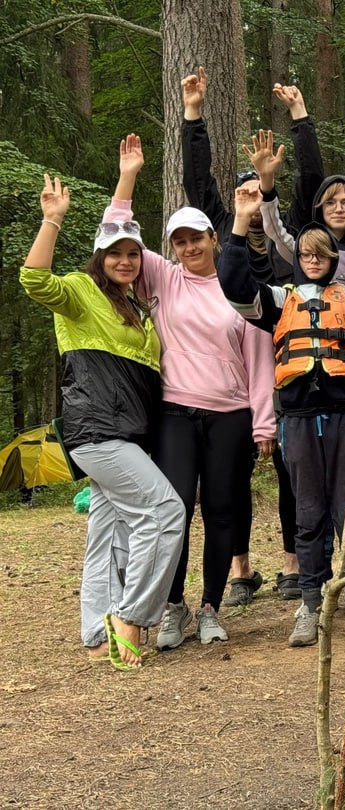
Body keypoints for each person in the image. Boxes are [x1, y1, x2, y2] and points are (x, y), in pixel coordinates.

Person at [109, 134, 276, 650]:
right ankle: (174, 606)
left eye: (196, 238)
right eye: (178, 241)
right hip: (175, 413)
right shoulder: (162, 277)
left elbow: (259, 358)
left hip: (230, 415)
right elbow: (116, 237)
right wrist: (128, 177)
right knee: (175, 507)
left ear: (212, 238)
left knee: (223, 508)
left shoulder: (238, 284)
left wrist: (264, 422)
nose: (188, 248)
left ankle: (211, 607)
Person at [218, 176, 345, 647]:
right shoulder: (280, 301)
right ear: (297, 259)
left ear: (333, 260)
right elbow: (236, 289)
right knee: (308, 510)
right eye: (307, 254)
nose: (314, 259)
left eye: (322, 254)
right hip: (297, 418)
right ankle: (311, 602)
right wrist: (239, 226)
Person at [20, 175, 185, 670]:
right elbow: (34, 279)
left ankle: (97, 635)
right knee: (165, 513)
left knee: (108, 535)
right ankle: (132, 616)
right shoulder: (80, 293)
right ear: (99, 256)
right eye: (115, 253)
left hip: (127, 434)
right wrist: (52, 219)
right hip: (97, 431)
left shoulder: (137, 308)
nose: (125, 261)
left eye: (133, 254)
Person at [181, 67, 324, 604]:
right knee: (230, 474)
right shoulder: (224, 236)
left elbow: (313, 182)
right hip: (231, 372)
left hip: (287, 368)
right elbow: (198, 186)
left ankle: (292, 562)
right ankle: (241, 567)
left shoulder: (290, 241)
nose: (246, 198)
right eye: (239, 190)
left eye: (254, 189)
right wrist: (194, 116)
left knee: (291, 471)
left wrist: (300, 119)